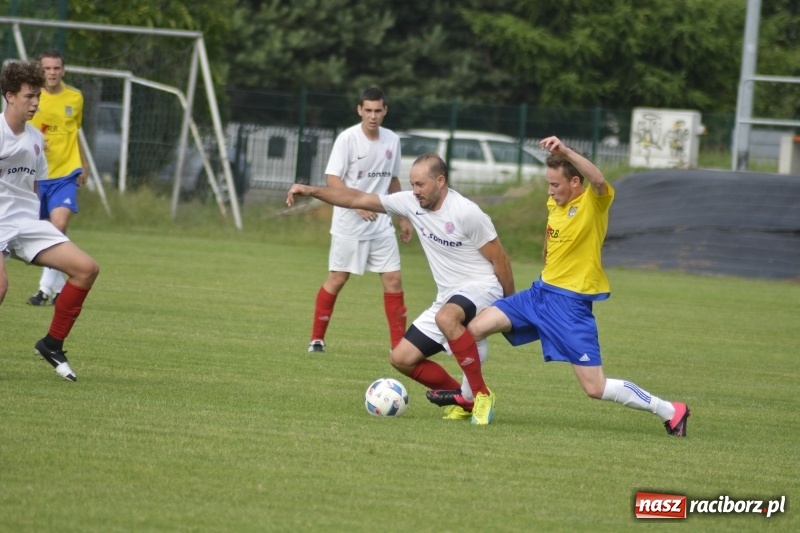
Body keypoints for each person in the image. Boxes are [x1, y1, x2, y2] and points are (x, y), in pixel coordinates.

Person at [434, 136, 690, 436]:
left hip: (570, 307)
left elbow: (598, 178)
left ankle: (671, 411)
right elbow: (552, 234)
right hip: (538, 294)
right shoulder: (556, 203)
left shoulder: (594, 202)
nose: (550, 191)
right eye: (549, 184)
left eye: (555, 185)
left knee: (595, 388)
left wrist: (566, 150)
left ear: (576, 183)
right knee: (473, 330)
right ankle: (471, 396)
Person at [288, 153, 515, 425]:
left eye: (420, 184)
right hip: (448, 296)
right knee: (401, 358)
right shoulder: (410, 203)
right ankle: (463, 396)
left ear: (440, 181)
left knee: (447, 318)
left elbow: (500, 259)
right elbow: (357, 199)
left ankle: (480, 395)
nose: (414, 191)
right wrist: (311, 190)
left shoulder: (466, 212)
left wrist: (509, 309)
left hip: (482, 286)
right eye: (412, 184)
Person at [1, 60, 100, 382]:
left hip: (25, 222)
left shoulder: (34, 139)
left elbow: (35, 187)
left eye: (38, 97)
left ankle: (51, 344)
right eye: (29, 97)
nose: (35, 104)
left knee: (86, 269)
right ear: (10, 96)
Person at [305, 87, 412, 354]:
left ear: (385, 110)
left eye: (378, 110)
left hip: (381, 224)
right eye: (368, 110)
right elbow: (332, 180)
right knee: (338, 278)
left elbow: (394, 180)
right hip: (349, 223)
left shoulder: (392, 140)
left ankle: (398, 346)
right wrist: (356, 205)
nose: (373, 116)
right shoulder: (347, 139)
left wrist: (403, 217)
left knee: (393, 280)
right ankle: (316, 339)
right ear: (359, 110)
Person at [26, 49, 88, 307]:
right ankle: (58, 286)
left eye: (56, 68)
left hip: (66, 172)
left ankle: (43, 289)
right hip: (37, 175)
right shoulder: (31, 98)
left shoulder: (75, 97)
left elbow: (77, 133)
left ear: (63, 70)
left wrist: (83, 164)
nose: (51, 73)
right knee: (41, 233)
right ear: (40, 70)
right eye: (47, 68)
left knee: (58, 225)